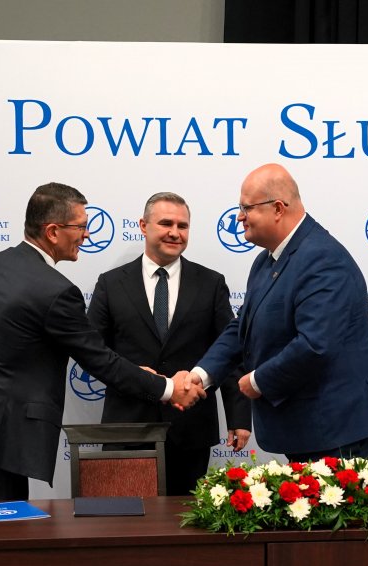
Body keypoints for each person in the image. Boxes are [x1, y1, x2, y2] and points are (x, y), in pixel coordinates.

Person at [0, 182, 203, 502]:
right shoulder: (55, 292)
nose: (87, 235)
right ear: (53, 232)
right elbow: (98, 359)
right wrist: (167, 387)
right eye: (80, 227)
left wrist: (138, 374)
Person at [189, 163, 368, 462]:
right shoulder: (265, 261)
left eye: (246, 208)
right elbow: (243, 327)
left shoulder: (323, 258)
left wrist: (257, 381)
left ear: (277, 208)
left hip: (344, 429)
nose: (239, 217)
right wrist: (201, 374)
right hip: (311, 428)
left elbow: (316, 345)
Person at [87, 192, 252, 495]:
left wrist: (239, 416)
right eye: (166, 223)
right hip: (128, 426)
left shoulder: (211, 283)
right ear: (143, 226)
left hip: (190, 429)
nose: (175, 233)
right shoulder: (110, 283)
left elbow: (228, 350)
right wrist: (134, 375)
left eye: (182, 226)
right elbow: (93, 352)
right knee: (126, 518)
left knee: (185, 520)